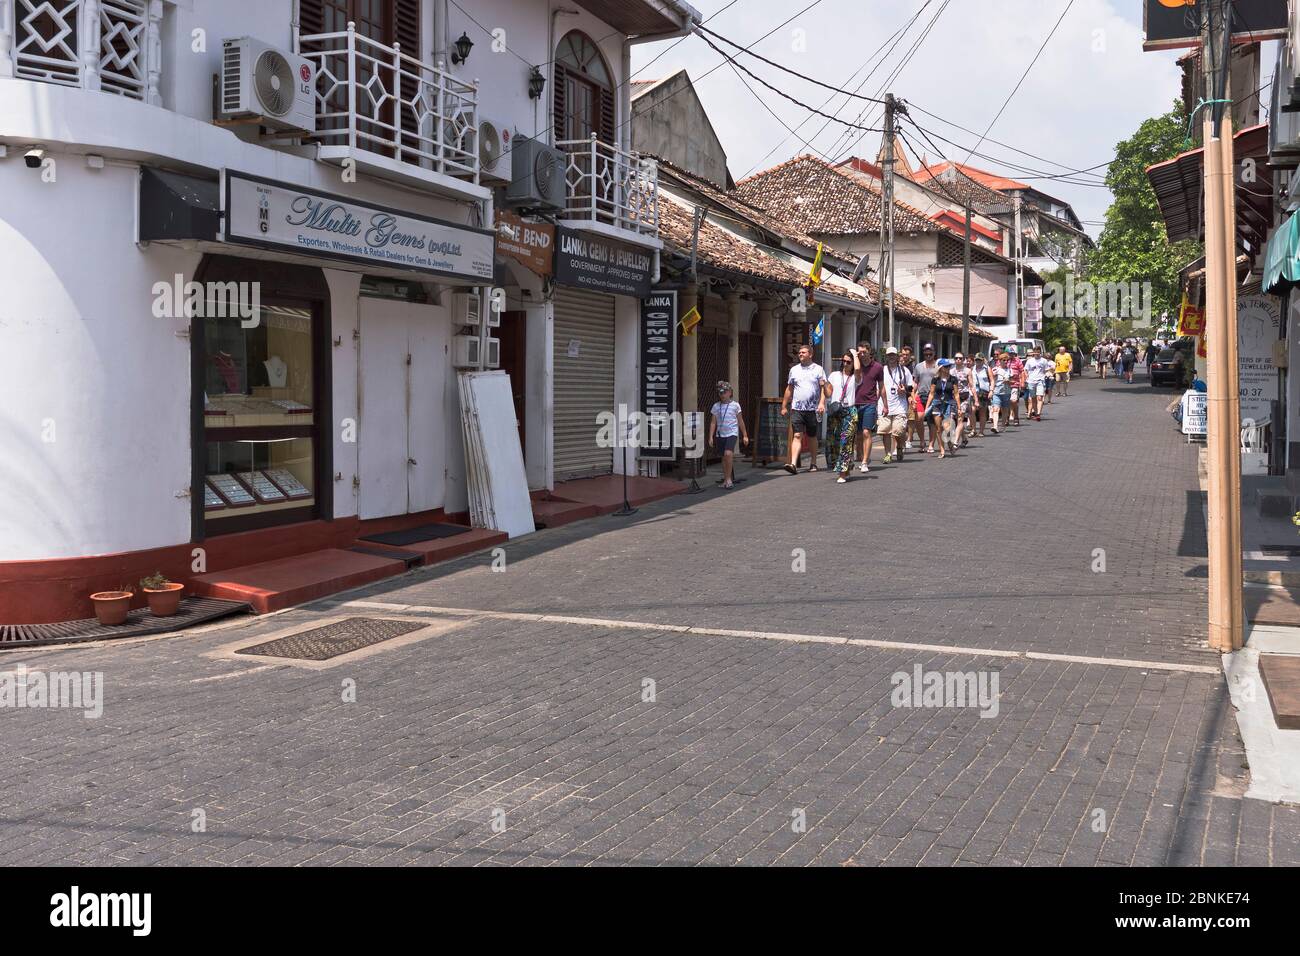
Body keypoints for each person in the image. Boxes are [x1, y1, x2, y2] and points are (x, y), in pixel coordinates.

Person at [780, 344, 827, 475]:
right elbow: (789, 388)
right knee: (797, 435)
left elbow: (823, 388)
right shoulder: (794, 370)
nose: (800, 354)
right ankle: (793, 463)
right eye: (799, 352)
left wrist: (822, 403)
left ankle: (813, 462)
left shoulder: (818, 369)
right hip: (797, 408)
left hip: (812, 409)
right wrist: (784, 405)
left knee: (812, 436)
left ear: (810, 354)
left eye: (803, 352)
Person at [825, 350, 862, 483]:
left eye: (848, 362)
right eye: (844, 361)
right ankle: (846, 467)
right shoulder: (834, 375)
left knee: (845, 442)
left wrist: (855, 355)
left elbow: (857, 369)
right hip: (836, 411)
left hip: (849, 412)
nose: (845, 364)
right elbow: (828, 393)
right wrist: (823, 385)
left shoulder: (855, 377)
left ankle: (842, 473)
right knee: (834, 441)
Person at [708, 382, 748, 489]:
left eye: (724, 392)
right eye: (720, 393)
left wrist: (745, 435)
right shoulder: (716, 406)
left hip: (732, 433)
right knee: (723, 457)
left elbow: (740, 421)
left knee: (728, 453)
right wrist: (710, 436)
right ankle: (725, 478)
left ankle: (729, 479)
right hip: (720, 434)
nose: (722, 395)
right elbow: (713, 422)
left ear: (730, 393)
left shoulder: (735, 405)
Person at [853, 342, 885, 473]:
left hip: (870, 403)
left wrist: (885, 404)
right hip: (855, 403)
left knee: (866, 432)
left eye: (864, 352)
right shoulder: (856, 365)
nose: (861, 354)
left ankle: (865, 461)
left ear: (869, 351)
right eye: (859, 352)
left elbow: (882, 387)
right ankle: (860, 456)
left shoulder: (877, 367)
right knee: (858, 434)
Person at [877, 346, 913, 463]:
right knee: (885, 431)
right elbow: (878, 388)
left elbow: (911, 387)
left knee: (898, 430)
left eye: (893, 355)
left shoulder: (904, 371)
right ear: (886, 357)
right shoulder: (881, 370)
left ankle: (899, 446)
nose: (891, 357)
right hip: (884, 405)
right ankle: (888, 454)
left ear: (897, 356)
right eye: (889, 355)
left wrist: (905, 390)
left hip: (900, 405)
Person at [922, 359, 960, 458]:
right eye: (946, 367)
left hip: (948, 404)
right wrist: (926, 407)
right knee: (939, 429)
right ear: (941, 368)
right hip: (937, 404)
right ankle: (942, 450)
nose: (948, 368)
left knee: (947, 428)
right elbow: (931, 393)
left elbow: (956, 394)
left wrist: (959, 407)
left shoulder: (953, 379)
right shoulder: (935, 379)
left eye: (949, 366)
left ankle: (950, 444)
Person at [913, 343, 941, 453]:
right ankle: (922, 441)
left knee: (932, 422)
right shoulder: (918, 366)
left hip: (934, 397)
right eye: (926, 352)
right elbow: (915, 382)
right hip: (921, 395)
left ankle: (931, 444)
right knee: (919, 418)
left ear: (934, 352)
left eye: (930, 352)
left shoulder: (938, 366)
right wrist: (912, 395)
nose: (928, 354)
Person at [950, 352, 976, 448]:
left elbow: (971, 385)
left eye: (960, 358)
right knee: (955, 420)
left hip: (964, 397)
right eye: (956, 358)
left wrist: (976, 399)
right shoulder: (951, 371)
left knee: (960, 418)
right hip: (953, 398)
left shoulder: (967, 371)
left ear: (963, 359)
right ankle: (964, 438)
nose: (958, 360)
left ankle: (955, 442)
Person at [1024, 346, 1052, 421]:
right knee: (1033, 399)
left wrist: (1049, 373)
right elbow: (1025, 370)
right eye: (1035, 352)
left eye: (1038, 352)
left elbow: (1046, 370)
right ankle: (1036, 413)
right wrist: (1027, 377)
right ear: (1033, 352)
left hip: (1040, 380)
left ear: (1040, 352)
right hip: (1031, 381)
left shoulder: (1044, 361)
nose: (1037, 353)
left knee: (1040, 397)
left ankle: (1038, 413)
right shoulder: (1029, 361)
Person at [991, 351, 1014, 433]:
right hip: (997, 392)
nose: (1005, 362)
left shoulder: (1010, 370)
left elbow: (1013, 381)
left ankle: (1003, 425)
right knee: (995, 409)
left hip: (1006, 393)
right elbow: (992, 380)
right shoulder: (995, 369)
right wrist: (991, 390)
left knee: (1004, 410)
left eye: (1006, 360)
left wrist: (1008, 381)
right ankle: (995, 426)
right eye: (1003, 360)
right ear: (999, 361)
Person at [972, 353, 993, 437]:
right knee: (972, 411)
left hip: (984, 392)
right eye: (976, 360)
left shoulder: (987, 369)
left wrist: (991, 391)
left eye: (980, 360)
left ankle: (981, 431)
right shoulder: (972, 369)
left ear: (983, 360)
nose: (978, 362)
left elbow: (992, 380)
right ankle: (973, 430)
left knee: (982, 412)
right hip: (974, 392)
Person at [1005, 345, 1024, 427]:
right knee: (1006, 402)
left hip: (1015, 384)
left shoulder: (1017, 361)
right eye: (1009, 353)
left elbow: (1022, 372)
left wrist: (1022, 382)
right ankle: (1007, 418)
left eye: (1012, 353)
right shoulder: (1002, 361)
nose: (1011, 355)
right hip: (1005, 385)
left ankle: (1016, 417)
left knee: (1013, 401)